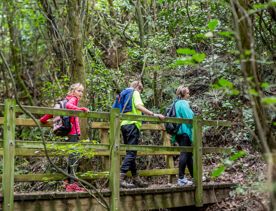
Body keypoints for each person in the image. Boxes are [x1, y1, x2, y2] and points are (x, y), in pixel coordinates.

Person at [40, 83, 90, 192]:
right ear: (72, 91)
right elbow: (69, 107)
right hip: (73, 133)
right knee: (74, 158)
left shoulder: (64, 101)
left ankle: (68, 182)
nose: (80, 93)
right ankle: (72, 184)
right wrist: (80, 108)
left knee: (72, 156)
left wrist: (43, 120)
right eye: (78, 91)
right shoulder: (73, 99)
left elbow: (49, 114)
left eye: (82, 91)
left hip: (68, 133)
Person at [119, 81, 165, 188]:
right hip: (132, 124)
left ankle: (136, 178)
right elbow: (138, 106)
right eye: (141, 90)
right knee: (131, 153)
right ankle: (119, 178)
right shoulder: (134, 93)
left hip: (124, 125)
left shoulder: (122, 94)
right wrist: (153, 114)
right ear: (138, 87)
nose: (140, 92)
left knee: (130, 153)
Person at [174, 85, 194, 186]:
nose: (189, 95)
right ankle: (181, 178)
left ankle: (194, 176)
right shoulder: (183, 103)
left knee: (188, 155)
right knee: (185, 153)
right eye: (187, 93)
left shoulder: (176, 103)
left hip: (178, 132)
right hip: (184, 131)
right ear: (183, 94)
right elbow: (190, 117)